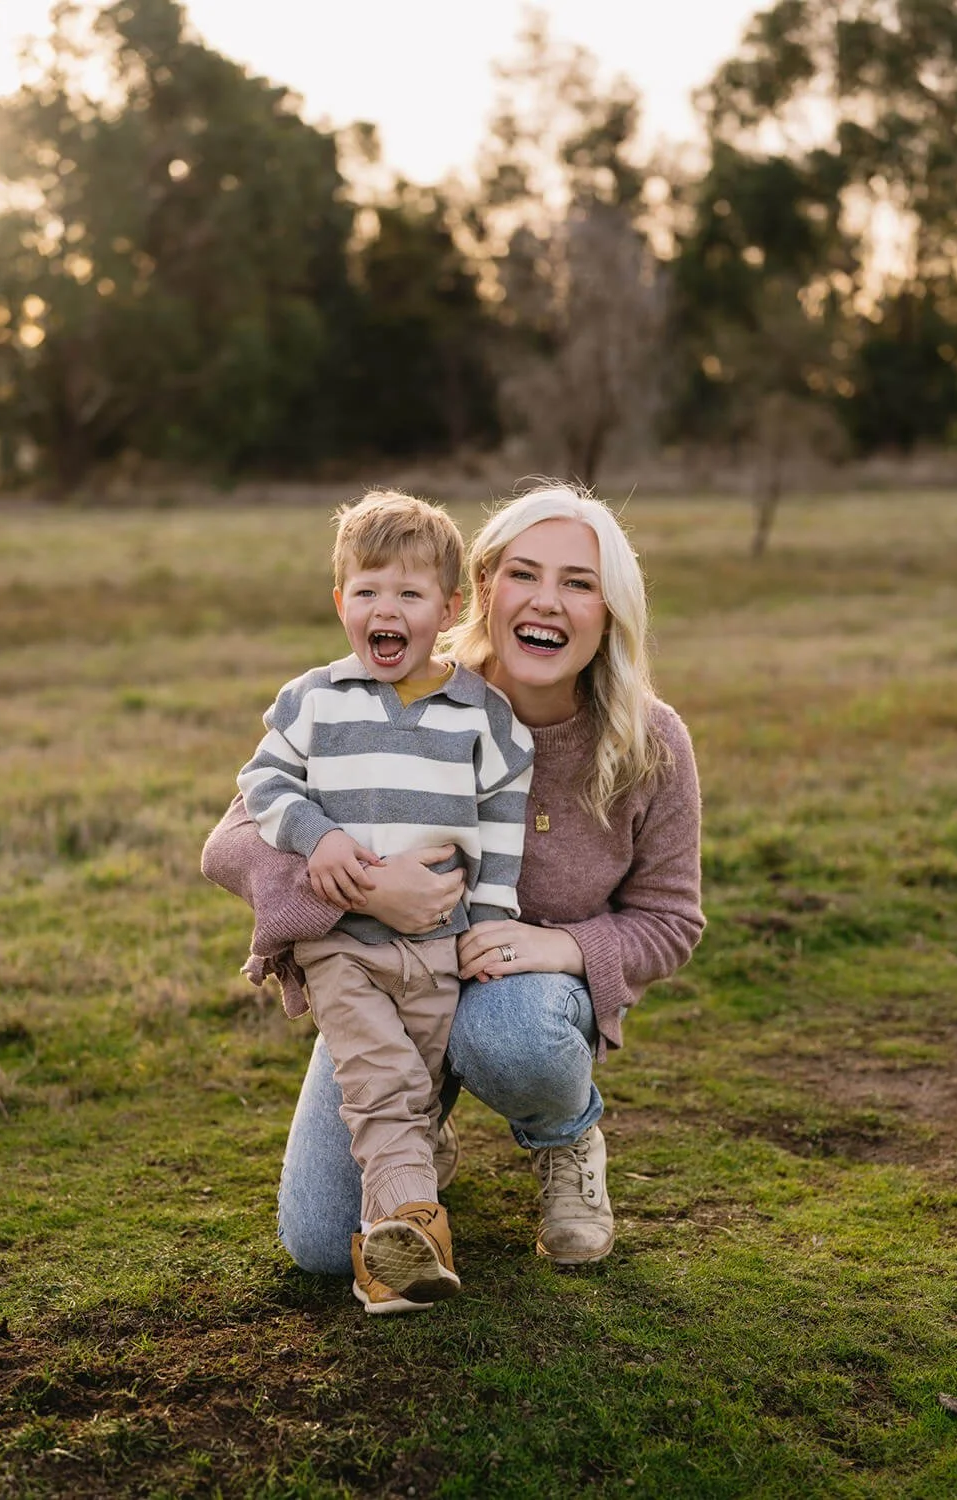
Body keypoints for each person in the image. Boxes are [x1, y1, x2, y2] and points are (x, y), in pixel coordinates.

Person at [203, 481, 705, 1299]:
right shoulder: (397, 691)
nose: (548, 601)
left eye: (578, 583)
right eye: (525, 574)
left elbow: (672, 921)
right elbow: (231, 840)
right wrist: (366, 890)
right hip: (385, 969)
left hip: (526, 999)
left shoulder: (651, 742)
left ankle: (564, 1137)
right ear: (483, 587)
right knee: (325, 1244)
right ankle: (418, 1146)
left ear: (610, 610)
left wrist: (562, 945)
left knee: (507, 1030)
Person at [233, 490, 534, 1314]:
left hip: (439, 943)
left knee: (419, 1083)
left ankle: (419, 1177)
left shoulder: (486, 719)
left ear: (449, 606)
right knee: (380, 1082)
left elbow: (503, 822)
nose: (386, 609)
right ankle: (398, 1251)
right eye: (366, 592)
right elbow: (260, 782)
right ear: (341, 604)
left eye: (408, 593)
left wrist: (494, 921)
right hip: (344, 948)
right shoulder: (313, 701)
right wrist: (317, 838)